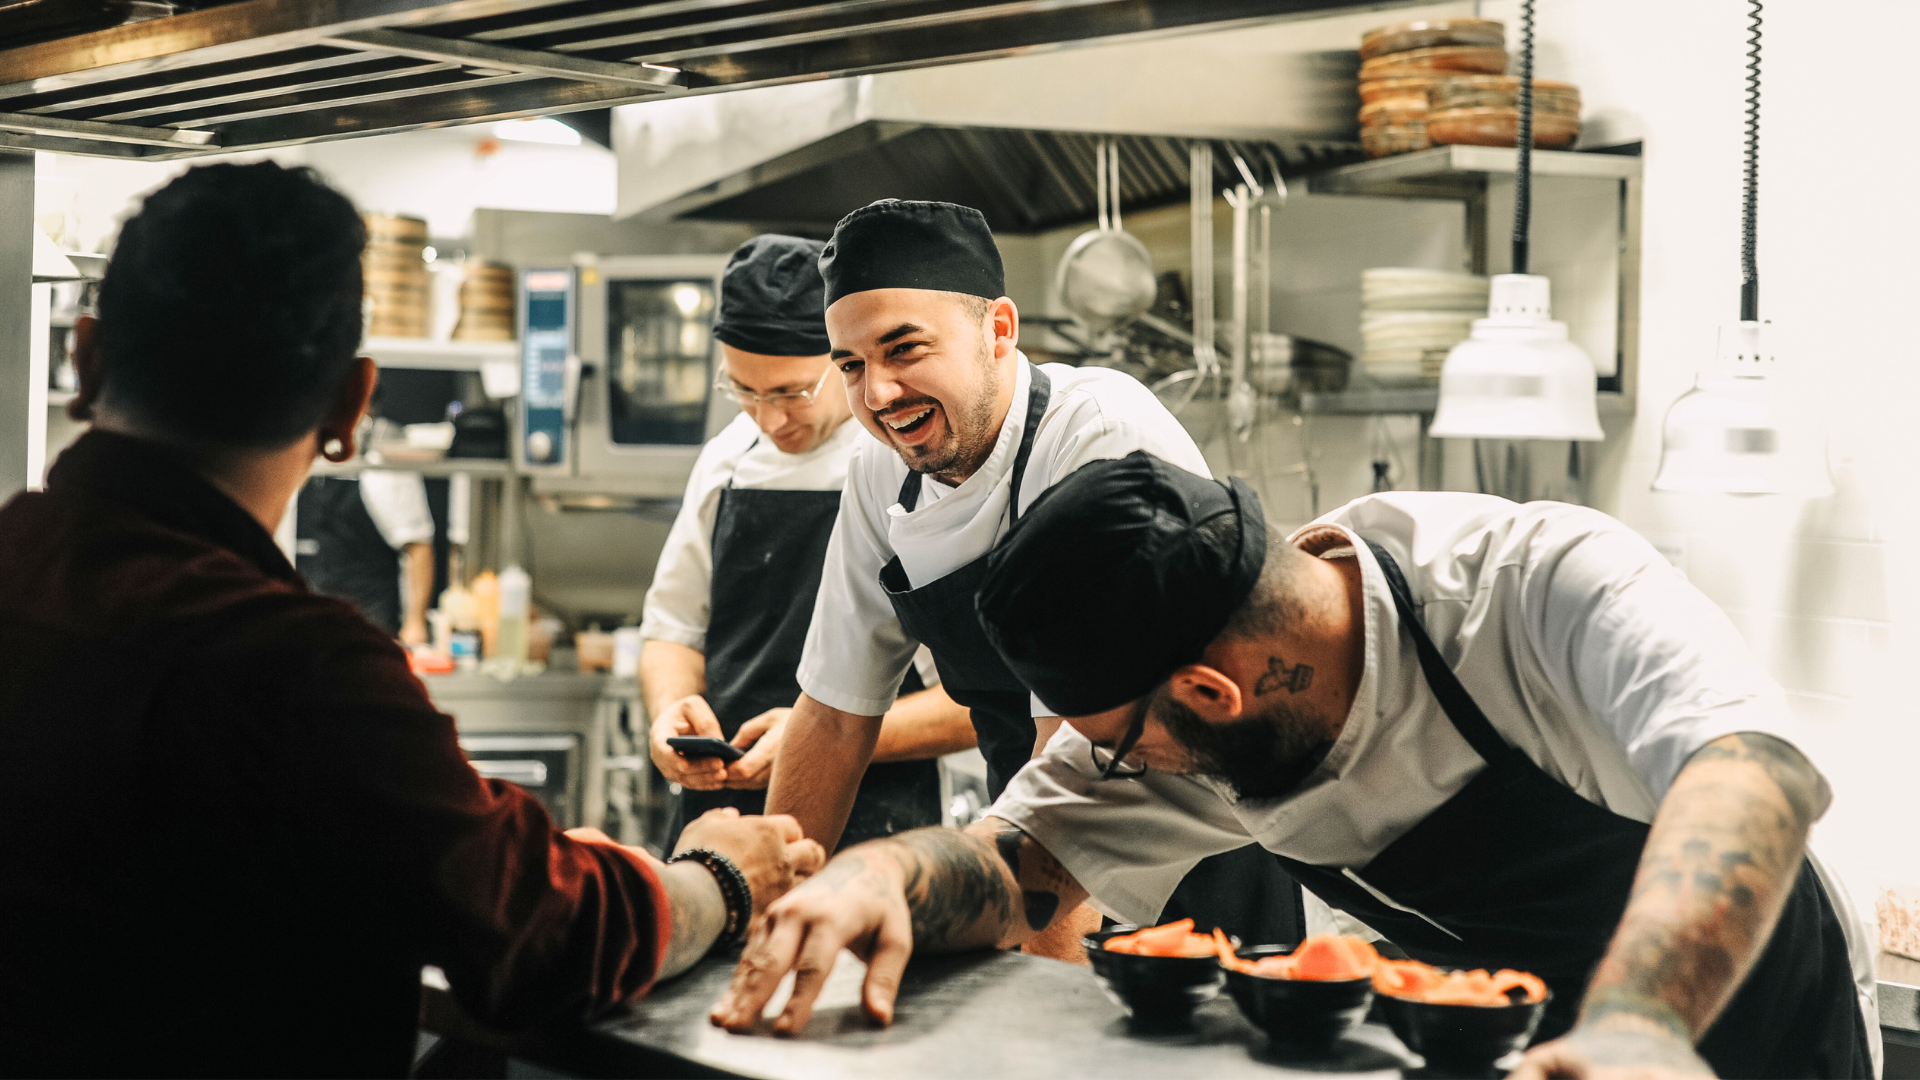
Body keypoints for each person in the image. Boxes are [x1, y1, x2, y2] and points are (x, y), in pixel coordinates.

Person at [0, 161, 822, 1078]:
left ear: (86, 360)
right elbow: (540, 932)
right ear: (351, 406)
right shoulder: (298, 671)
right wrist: (718, 876)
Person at [713, 455, 1878, 1080]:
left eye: (1116, 741)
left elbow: (1751, 772)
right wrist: (883, 872)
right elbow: (1016, 866)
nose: (1116, 769)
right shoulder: (1183, 699)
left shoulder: (1532, 582)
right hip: (1500, 1044)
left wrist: (1639, 1027)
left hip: (1740, 1021)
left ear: (1210, 692)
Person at [762, 199, 1301, 954]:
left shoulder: (1097, 436)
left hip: (1185, 855)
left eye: (904, 349)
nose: (878, 393)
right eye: (851, 366)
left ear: (1000, 330)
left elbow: (1074, 746)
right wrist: (767, 919)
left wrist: (1043, 990)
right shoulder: (881, 470)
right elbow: (832, 716)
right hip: (1026, 847)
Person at [640, 234, 975, 850]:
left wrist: (811, 736)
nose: (769, 420)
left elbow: (973, 704)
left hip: (878, 830)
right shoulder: (726, 461)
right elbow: (673, 630)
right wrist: (671, 710)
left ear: (846, 362)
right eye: (744, 391)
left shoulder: (913, 468)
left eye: (790, 393)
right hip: (720, 815)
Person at [296, 468, 435, 644]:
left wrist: (415, 623)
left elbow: (418, 547)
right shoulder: (310, 469)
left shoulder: (386, 473)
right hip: (319, 619)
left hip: (372, 622)